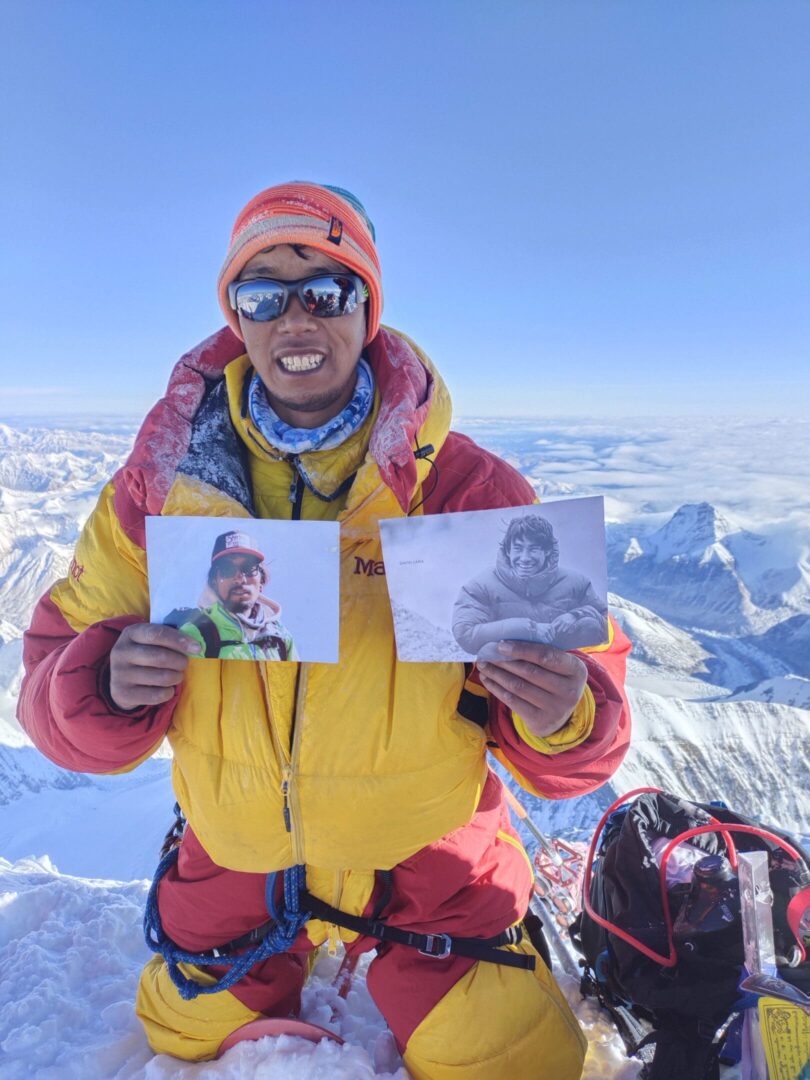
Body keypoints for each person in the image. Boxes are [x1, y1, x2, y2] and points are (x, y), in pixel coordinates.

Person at [18, 181, 632, 1078]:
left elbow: (587, 720)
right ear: (236, 315)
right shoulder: (159, 486)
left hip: (426, 843)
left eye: (326, 290)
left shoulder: (463, 487)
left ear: (368, 308)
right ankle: (272, 960)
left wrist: (568, 708)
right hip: (239, 842)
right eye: (262, 295)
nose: (294, 319)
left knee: (510, 1056)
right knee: (181, 1029)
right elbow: (47, 683)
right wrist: (103, 684)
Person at [452, 513, 608, 655]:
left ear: (547, 551)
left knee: (590, 625)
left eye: (533, 549)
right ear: (508, 551)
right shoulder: (480, 586)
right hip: (499, 677)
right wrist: (531, 630)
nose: (524, 558)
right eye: (518, 548)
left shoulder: (577, 583)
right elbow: (466, 634)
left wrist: (574, 615)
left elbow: (604, 623)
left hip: (565, 676)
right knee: (489, 651)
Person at [163, 530, 298, 661]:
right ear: (214, 582)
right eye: (227, 569)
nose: (240, 579)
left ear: (261, 581)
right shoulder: (195, 634)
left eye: (249, 568)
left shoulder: (282, 637)